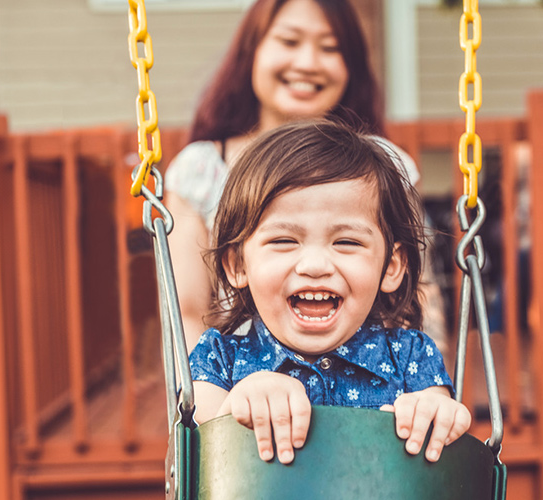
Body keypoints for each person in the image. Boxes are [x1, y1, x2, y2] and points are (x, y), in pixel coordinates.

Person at [188, 121, 470, 466]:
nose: (315, 265)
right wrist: (238, 407)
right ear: (238, 265)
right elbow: (200, 453)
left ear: (392, 266)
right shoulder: (219, 360)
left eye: (347, 242)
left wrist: (433, 413)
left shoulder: (410, 357)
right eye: (284, 241)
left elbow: (439, 438)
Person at [166, 0, 421, 352]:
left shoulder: (385, 165)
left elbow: (417, 298)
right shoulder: (201, 169)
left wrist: (427, 384)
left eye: (330, 48)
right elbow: (188, 312)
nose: (307, 63)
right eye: (289, 42)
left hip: (367, 391)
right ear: (252, 51)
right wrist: (203, 397)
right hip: (241, 391)